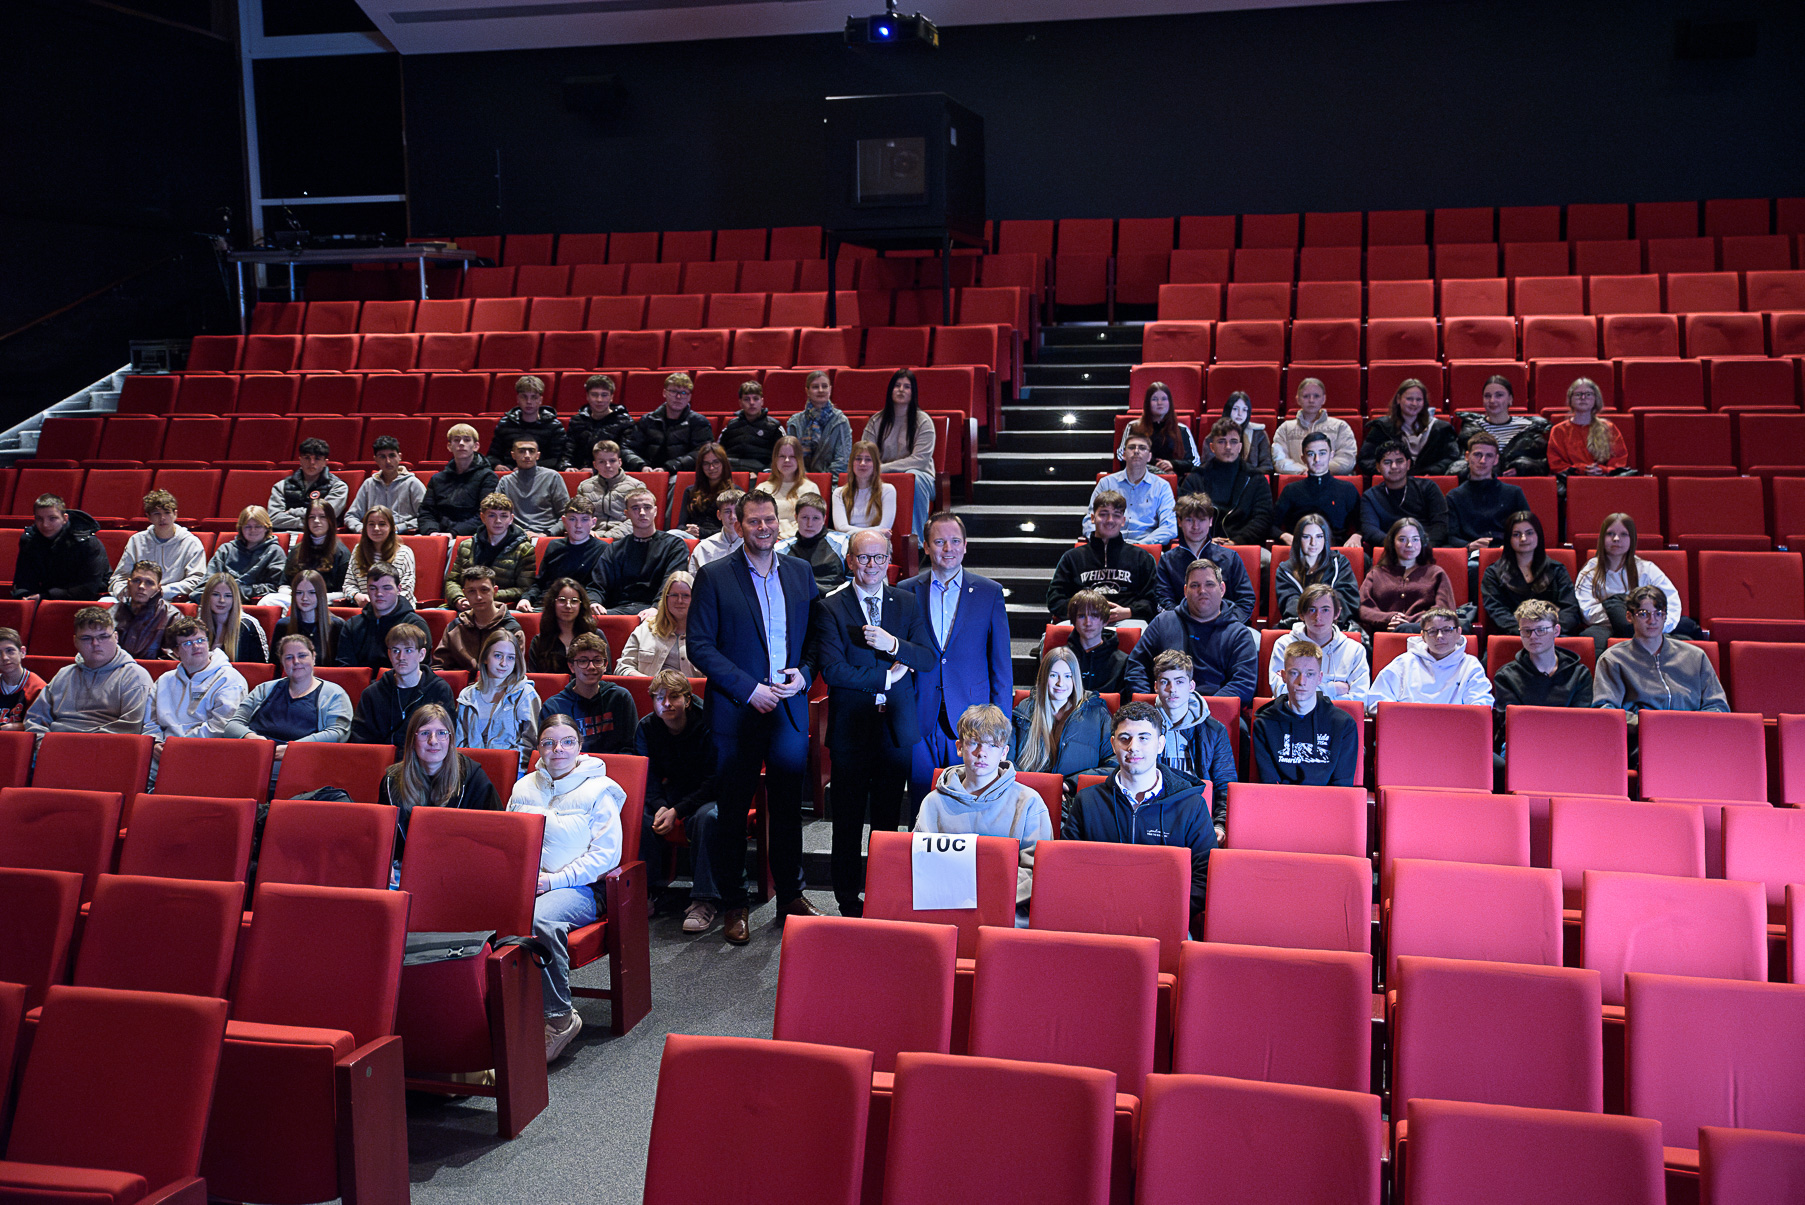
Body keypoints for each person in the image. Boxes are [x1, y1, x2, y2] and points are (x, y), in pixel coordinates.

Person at [687, 489, 821, 943]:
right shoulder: (714, 575)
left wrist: (804, 675)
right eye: (753, 521)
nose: (763, 527)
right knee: (731, 813)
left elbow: (816, 638)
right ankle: (735, 904)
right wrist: (748, 689)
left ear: (779, 523)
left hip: (788, 709)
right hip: (736, 712)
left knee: (787, 810)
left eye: (769, 520)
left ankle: (791, 896)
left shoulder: (801, 572)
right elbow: (699, 645)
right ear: (737, 524)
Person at [814, 529, 936, 917]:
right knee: (847, 822)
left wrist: (893, 645)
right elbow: (834, 671)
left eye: (879, 557)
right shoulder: (831, 606)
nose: (871, 565)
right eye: (863, 557)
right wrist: (887, 676)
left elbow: (927, 657)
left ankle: (882, 898)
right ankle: (848, 902)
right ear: (850, 561)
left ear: (889, 561)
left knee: (887, 823)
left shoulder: (907, 602)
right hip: (851, 731)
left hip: (894, 730)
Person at [507, 712, 626, 1061]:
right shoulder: (523, 787)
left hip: (583, 889)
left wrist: (554, 881)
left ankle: (559, 1018)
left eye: (567, 742)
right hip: (530, 884)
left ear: (579, 746)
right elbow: (509, 839)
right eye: (549, 742)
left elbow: (606, 856)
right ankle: (503, 1013)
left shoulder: (599, 790)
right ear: (539, 747)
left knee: (540, 919)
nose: (558, 749)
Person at [1065, 701, 1215, 919]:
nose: (1133, 747)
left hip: (1166, 918)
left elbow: (1204, 878)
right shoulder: (1087, 801)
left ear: (1160, 744)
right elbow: (1070, 867)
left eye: (1144, 738)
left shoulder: (1191, 805)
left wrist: (1158, 911)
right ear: (1113, 744)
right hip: (1099, 916)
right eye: (1124, 738)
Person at [906, 512, 1014, 802]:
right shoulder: (906, 591)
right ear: (926, 546)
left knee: (969, 801)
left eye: (955, 541)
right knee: (920, 798)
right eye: (939, 541)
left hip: (972, 720)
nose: (948, 548)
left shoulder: (989, 592)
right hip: (919, 715)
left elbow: (1001, 666)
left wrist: (1001, 725)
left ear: (965, 545)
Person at [916, 703, 1054, 908]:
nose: (982, 753)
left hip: (1006, 908)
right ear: (959, 747)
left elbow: (1037, 870)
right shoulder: (933, 802)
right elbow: (921, 864)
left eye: (992, 745)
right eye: (974, 743)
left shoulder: (1029, 802)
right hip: (945, 904)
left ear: (1004, 752)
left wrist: (983, 897)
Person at [636, 671, 724, 933]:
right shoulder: (647, 727)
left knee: (707, 818)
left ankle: (704, 900)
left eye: (674, 697)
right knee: (640, 817)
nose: (666, 703)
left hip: (709, 792)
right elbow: (646, 775)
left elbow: (715, 779)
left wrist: (677, 810)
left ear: (687, 700)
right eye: (659, 698)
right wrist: (661, 805)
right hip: (671, 792)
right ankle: (650, 891)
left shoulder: (709, 722)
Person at [1592, 585, 1727, 738]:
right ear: (1629, 617)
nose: (1652, 620)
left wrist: (1691, 725)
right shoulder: (1613, 659)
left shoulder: (1695, 656)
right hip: (1642, 738)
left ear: (1665, 617)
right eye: (1643, 614)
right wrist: (1652, 725)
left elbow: (1718, 706)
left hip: (1694, 736)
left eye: (1658, 613)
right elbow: (1606, 709)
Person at [1125, 558, 1259, 704]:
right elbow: (1136, 667)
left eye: (1209, 584)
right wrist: (1146, 704)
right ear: (1185, 591)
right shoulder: (1162, 623)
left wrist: (1202, 709)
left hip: (1214, 711)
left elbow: (1244, 684)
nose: (1202, 591)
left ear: (1222, 589)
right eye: (1195, 585)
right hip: (1163, 708)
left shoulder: (1239, 634)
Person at [379, 704, 500, 865]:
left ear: (450, 739)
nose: (433, 741)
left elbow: (494, 836)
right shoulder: (392, 781)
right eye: (425, 733)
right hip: (406, 867)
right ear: (412, 740)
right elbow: (385, 841)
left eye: (441, 733)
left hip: (461, 865)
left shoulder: (473, 778)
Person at [224, 634, 353, 777]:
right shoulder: (264, 689)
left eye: (302, 655)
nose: (296, 661)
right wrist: (255, 740)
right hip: (253, 758)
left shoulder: (334, 694)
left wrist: (292, 749)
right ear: (282, 662)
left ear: (313, 657)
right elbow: (232, 725)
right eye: (289, 657)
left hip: (301, 764)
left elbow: (338, 733)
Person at [1148, 650, 1236, 839]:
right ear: (1156, 686)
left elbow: (1225, 784)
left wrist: (1220, 825)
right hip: (1153, 814)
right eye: (1165, 682)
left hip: (1199, 815)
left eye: (1179, 682)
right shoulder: (1144, 727)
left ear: (1191, 686)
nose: (1172, 689)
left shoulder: (1214, 730)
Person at [25, 606, 153, 736]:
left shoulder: (135, 676)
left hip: (105, 745)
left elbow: (131, 727)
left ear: (116, 637)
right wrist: (41, 742)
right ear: (75, 641)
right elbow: (35, 720)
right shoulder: (63, 675)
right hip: (55, 742)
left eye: (103, 636)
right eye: (86, 638)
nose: (95, 643)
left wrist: (82, 743)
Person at [1250, 640, 1360, 786]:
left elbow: (1343, 785)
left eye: (1310, 674)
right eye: (1294, 673)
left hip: (1328, 799)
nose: (1302, 681)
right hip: (1281, 799)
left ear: (1319, 678)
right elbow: (1268, 784)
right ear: (1283, 676)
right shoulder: (1265, 723)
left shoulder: (1343, 724)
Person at [1492, 599, 1594, 751]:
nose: (1533, 636)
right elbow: (1512, 725)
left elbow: (1582, 722)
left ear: (1556, 630)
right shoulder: (1506, 676)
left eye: (1541, 630)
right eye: (1526, 631)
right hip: (1524, 744)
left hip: (1570, 743)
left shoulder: (1579, 674)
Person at [1046, 490, 1158, 625]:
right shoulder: (1072, 558)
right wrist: (1085, 612)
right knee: (1056, 632)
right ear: (1093, 518)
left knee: (1142, 630)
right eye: (1103, 514)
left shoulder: (1142, 558)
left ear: (1123, 521)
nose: (1110, 520)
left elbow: (1152, 601)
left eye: (1116, 515)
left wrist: (1129, 611)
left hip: (1127, 621)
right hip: (1082, 621)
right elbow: (1055, 599)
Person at [1577, 513, 1689, 639]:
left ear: (1632, 538)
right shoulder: (1590, 571)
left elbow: (1671, 603)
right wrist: (1622, 619)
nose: (1616, 539)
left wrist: (1652, 625)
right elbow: (1587, 611)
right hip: (1604, 628)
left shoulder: (1646, 569)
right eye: (1610, 534)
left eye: (1623, 534)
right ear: (1602, 538)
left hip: (1647, 626)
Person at [147, 617, 247, 756]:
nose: (196, 646)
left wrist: (178, 746)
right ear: (176, 652)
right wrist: (155, 743)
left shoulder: (229, 679)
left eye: (200, 640)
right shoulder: (164, 680)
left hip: (207, 752)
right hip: (164, 751)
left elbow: (221, 726)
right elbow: (150, 722)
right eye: (187, 643)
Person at [1010, 646, 1114, 779]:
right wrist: (1027, 785)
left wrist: (1071, 784)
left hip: (1077, 791)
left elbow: (1113, 764)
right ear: (1043, 677)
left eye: (1067, 676)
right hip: (1030, 789)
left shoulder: (1097, 713)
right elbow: (1007, 759)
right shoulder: (1024, 710)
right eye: (1053, 675)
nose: (1060, 683)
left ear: (1075, 679)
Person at [350, 621, 454, 752]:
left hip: (425, 759)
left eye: (408, 650)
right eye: (395, 651)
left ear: (421, 654)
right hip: (382, 760)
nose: (401, 657)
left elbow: (445, 737)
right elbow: (360, 740)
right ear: (389, 654)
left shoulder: (439, 690)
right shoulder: (372, 694)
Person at [1366, 607, 1493, 711]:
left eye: (1447, 630)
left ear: (1458, 632)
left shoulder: (1470, 665)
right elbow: (1377, 701)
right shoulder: (1404, 662)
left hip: (1454, 729)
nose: (1439, 636)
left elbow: (1481, 706)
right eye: (1432, 631)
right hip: (1407, 728)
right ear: (1423, 636)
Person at [862, 367, 937, 542]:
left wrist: (881, 469)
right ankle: (866, 540)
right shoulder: (876, 421)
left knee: (913, 476)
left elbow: (920, 461)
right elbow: (866, 454)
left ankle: (917, 543)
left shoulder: (923, 421)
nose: (901, 390)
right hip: (882, 476)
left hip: (921, 477)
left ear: (913, 392)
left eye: (907, 386)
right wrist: (875, 470)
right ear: (890, 390)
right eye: (897, 385)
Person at [1154, 494, 1257, 619]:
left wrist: (1225, 623)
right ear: (1179, 521)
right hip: (1182, 625)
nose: (1195, 526)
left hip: (1226, 626)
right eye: (1189, 520)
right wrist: (1185, 623)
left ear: (1210, 521)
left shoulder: (1231, 558)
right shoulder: (1167, 561)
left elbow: (1246, 600)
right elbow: (1164, 600)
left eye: (1202, 520)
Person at [1480, 511, 1584, 635]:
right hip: (1514, 636)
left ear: (1538, 535)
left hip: (1554, 637)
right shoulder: (1493, 574)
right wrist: (1528, 632)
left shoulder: (1557, 569)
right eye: (1516, 534)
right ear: (1508, 539)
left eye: (1529, 533)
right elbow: (1498, 613)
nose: (1523, 539)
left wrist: (1546, 632)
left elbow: (1570, 609)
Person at [454, 629, 541, 774]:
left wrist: (502, 766)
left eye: (510, 658)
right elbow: (460, 741)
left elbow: (531, 743)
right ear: (485, 658)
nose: (503, 663)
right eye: (498, 656)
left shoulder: (525, 694)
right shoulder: (467, 695)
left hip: (512, 771)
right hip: (471, 772)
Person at [591, 486, 689, 615]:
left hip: (657, 610)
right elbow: (598, 584)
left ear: (655, 511)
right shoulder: (615, 548)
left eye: (647, 507)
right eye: (635, 508)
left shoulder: (674, 545)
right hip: (617, 609)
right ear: (627, 513)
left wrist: (656, 607)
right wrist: (593, 602)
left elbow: (671, 583)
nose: (642, 512)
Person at [1177, 419, 1272, 547]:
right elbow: (1184, 516)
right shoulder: (1196, 478)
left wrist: (1237, 541)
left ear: (1240, 447)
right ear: (1212, 447)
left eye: (1233, 442)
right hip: (1202, 544)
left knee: (1267, 558)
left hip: (1244, 545)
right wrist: (1206, 541)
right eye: (1221, 441)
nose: (1228, 447)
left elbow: (1262, 519)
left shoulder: (1256, 478)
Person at [1269, 584, 1371, 701]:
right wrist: (1333, 689)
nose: (1318, 617)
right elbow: (1282, 693)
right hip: (1293, 712)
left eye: (1325, 610)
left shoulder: (1355, 650)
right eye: (1312, 610)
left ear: (1337, 613)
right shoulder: (1284, 645)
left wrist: (1303, 691)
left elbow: (1359, 699)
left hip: (1339, 713)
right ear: (1301, 614)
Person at [542, 632, 637, 753]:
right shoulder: (554, 707)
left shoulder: (620, 698)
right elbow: (549, 751)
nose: (591, 666)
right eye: (583, 661)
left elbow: (630, 746)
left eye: (597, 660)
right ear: (571, 666)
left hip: (615, 763)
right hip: (571, 764)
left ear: (605, 665)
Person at [1358, 517, 1454, 633]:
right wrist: (1389, 618)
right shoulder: (1376, 573)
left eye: (1415, 539)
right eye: (1402, 539)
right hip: (1383, 634)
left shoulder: (1436, 573)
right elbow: (1363, 608)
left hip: (1424, 634)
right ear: (1392, 543)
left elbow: (1444, 609)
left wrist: (1408, 622)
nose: (1409, 544)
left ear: (1422, 542)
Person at [108, 490, 205, 600]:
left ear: (175, 514)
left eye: (167, 513)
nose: (162, 518)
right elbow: (119, 578)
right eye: (156, 514)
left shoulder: (191, 543)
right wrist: (124, 592)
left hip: (171, 599)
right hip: (137, 598)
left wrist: (161, 591)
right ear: (148, 517)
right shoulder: (136, 540)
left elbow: (197, 580)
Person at [444, 493, 536, 610]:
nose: (498, 521)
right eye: (492, 515)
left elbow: (524, 589)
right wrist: (459, 599)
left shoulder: (524, 549)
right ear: (483, 517)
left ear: (511, 519)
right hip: (466, 605)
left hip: (500, 607)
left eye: (504, 516)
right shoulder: (467, 546)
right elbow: (452, 581)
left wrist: (484, 594)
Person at [1271, 432, 1363, 547]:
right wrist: (1285, 536)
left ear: (1331, 455)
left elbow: (1364, 525)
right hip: (1300, 549)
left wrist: (1357, 535)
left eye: (1322, 453)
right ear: (1303, 458)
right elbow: (1271, 525)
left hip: (1337, 549)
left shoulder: (1347, 489)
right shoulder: (1291, 490)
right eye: (1311, 454)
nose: (1317, 459)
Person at [1086, 431, 1177, 545]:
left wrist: (1140, 546)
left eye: (1142, 448)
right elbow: (1090, 520)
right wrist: (1101, 542)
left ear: (1149, 457)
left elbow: (1169, 527)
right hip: (1109, 545)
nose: (1136, 451)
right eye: (1131, 447)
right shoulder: (1106, 483)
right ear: (1124, 455)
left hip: (1146, 547)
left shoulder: (1162, 486)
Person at [13, 493, 109, 601]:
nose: (45, 525)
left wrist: (45, 596)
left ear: (65, 518)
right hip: (47, 596)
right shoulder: (29, 540)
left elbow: (89, 587)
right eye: (39, 519)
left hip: (89, 598)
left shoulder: (87, 542)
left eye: (52, 518)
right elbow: (23, 579)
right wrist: (25, 596)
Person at [1446, 433, 1533, 550]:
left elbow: (1528, 530)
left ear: (1496, 459)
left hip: (1507, 551)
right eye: (1477, 454)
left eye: (1489, 456)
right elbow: (1451, 537)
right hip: (1472, 553)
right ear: (1467, 456)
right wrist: (1468, 546)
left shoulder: (1514, 493)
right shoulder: (1454, 496)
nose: (1483, 461)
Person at [1357, 379, 1460, 476]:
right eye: (1409, 399)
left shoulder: (1441, 428)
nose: (1414, 404)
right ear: (1398, 399)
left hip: (1428, 481)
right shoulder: (1382, 427)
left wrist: (1432, 471)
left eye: (1419, 399)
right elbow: (1366, 460)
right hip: (1391, 482)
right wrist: (1391, 473)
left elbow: (1452, 457)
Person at [1274, 514, 1362, 626]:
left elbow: (1347, 600)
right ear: (1298, 539)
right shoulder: (1286, 570)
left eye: (1319, 537)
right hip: (1301, 627)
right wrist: (1314, 622)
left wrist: (1323, 621)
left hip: (1336, 626)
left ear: (1326, 539)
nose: (1313, 543)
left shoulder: (1339, 564)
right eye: (1306, 537)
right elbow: (1290, 605)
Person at [1452, 375, 1547, 478]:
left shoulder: (1530, 428)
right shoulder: (1470, 429)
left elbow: (1543, 465)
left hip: (1519, 484)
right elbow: (1458, 464)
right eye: (1487, 396)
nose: (1492, 400)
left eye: (1499, 395)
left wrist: (1521, 468)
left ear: (1510, 399)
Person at [435, 566, 524, 674]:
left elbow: (516, 673)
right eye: (471, 591)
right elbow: (439, 667)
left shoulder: (512, 630)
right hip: (460, 684)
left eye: (484, 590)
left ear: (495, 591)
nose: (478, 597)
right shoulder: (455, 627)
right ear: (464, 593)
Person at [1360, 441, 1450, 547]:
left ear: (1408, 464)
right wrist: (1398, 547)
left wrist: (1420, 547)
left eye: (1399, 461)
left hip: (1426, 548)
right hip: (1389, 550)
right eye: (1387, 462)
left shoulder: (1428, 488)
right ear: (1378, 467)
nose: (1394, 466)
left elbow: (1440, 525)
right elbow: (1370, 530)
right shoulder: (1370, 496)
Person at [522, 497, 606, 610]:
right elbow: (540, 583)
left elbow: (599, 587)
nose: (578, 525)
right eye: (572, 519)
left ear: (593, 522)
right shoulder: (554, 546)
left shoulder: (602, 549)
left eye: (584, 519)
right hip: (546, 605)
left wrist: (592, 602)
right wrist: (526, 599)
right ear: (564, 521)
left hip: (578, 607)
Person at [418, 423, 501, 536]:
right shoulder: (437, 479)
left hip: (470, 536)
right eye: (456, 440)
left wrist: (453, 533)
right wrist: (432, 532)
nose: (461, 443)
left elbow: (485, 514)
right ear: (449, 446)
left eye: (467, 440)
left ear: (476, 446)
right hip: (437, 534)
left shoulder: (487, 477)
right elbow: (426, 512)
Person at [335, 563, 421, 669]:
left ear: (399, 589)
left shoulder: (415, 624)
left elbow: (418, 669)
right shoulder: (353, 625)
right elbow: (345, 667)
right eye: (373, 588)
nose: (379, 593)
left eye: (386, 588)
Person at [626, 371, 714, 473]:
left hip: (679, 473)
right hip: (647, 472)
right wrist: (641, 466)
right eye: (673, 391)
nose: (678, 397)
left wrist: (670, 467)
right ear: (664, 393)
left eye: (684, 393)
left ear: (689, 397)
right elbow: (628, 448)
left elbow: (702, 452)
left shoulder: (699, 422)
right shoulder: (647, 420)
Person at [615, 571, 696, 677]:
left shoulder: (709, 633)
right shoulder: (645, 630)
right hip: (649, 687)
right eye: (674, 595)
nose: (680, 600)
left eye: (686, 595)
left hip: (692, 688)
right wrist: (650, 682)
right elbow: (623, 667)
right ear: (665, 598)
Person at [1272, 377, 1358, 474]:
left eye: (1316, 396)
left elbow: (1347, 460)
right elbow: (1279, 460)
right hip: (1297, 480)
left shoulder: (1340, 427)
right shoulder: (1285, 428)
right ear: (1298, 399)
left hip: (1331, 480)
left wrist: (1318, 469)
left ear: (1324, 399)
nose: (1311, 400)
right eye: (1306, 396)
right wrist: (1304, 471)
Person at [1116, 381, 1201, 477]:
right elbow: (1122, 456)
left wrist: (1172, 464)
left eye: (1164, 399)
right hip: (1140, 477)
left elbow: (1195, 462)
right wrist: (1155, 466)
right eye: (1154, 399)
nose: (1159, 403)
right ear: (1147, 403)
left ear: (1169, 402)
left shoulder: (1182, 430)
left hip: (1173, 478)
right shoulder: (1133, 427)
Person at [1547, 377, 1628, 475]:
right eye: (1578, 394)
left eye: (1588, 394)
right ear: (1570, 399)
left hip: (1604, 479)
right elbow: (1556, 463)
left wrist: (1603, 470)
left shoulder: (1608, 428)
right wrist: (1581, 469)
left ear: (1596, 399)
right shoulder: (1559, 430)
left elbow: (1619, 459)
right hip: (1571, 480)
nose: (1583, 398)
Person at [205, 506, 286, 604]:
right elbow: (209, 581)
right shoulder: (225, 550)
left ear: (266, 528)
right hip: (220, 601)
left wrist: (238, 591)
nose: (253, 530)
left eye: (258, 526)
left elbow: (276, 587)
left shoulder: (275, 552)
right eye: (247, 526)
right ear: (241, 528)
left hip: (253, 604)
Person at [488, 374, 569, 469]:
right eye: (524, 397)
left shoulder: (554, 426)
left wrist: (528, 467)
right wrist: (497, 465)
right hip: (509, 472)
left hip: (542, 473)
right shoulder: (505, 424)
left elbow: (556, 459)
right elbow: (492, 455)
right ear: (518, 399)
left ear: (540, 400)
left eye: (534, 397)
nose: (529, 401)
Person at [346, 435, 425, 532]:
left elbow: (425, 517)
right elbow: (351, 516)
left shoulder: (413, 483)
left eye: (392, 456)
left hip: (404, 534)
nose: (388, 461)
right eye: (382, 457)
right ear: (375, 459)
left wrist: (400, 527)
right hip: (374, 535)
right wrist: (361, 529)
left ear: (399, 457)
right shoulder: (369, 484)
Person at [343, 505, 416, 609]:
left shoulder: (404, 553)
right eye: (371, 524)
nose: (376, 528)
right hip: (366, 611)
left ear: (391, 527)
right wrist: (356, 596)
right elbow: (348, 585)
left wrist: (379, 604)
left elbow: (406, 592)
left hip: (398, 611)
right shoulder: (358, 550)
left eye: (382, 524)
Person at [567, 374, 642, 472]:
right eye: (594, 395)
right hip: (580, 473)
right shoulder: (577, 421)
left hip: (611, 473)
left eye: (604, 395)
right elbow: (568, 451)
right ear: (587, 397)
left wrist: (595, 471)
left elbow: (625, 453)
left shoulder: (624, 422)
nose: (599, 400)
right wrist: (566, 467)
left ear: (611, 397)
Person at [268, 438, 348, 529]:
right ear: (300, 460)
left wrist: (292, 512)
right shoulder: (281, 486)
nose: (312, 462)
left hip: (321, 535)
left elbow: (327, 515)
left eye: (317, 458)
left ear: (325, 462)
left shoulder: (338, 486)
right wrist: (306, 522)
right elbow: (273, 518)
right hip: (285, 533)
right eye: (307, 458)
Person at [499, 436, 570, 536]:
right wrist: (519, 534)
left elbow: (566, 514)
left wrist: (547, 534)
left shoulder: (552, 477)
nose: (527, 455)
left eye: (531, 451)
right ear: (513, 455)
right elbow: (497, 514)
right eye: (521, 451)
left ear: (538, 455)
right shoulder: (506, 481)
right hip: (515, 536)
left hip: (547, 535)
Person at [527, 577, 599, 675]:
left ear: (581, 605)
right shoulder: (539, 641)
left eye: (574, 601)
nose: (568, 606)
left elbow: (605, 675)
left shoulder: (596, 636)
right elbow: (534, 678)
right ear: (553, 603)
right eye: (562, 600)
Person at [281, 500, 349, 604]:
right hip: (295, 601)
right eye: (312, 517)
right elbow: (283, 584)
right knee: (268, 601)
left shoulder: (341, 553)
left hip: (325, 603)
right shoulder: (296, 550)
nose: (316, 521)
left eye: (322, 516)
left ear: (330, 520)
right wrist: (295, 594)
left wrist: (314, 597)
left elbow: (344, 591)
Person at [775, 495, 848, 592]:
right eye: (805, 517)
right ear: (796, 518)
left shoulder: (842, 543)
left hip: (834, 598)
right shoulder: (781, 549)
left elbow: (854, 580)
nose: (809, 524)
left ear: (824, 519)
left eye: (816, 518)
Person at [786, 369, 852, 474]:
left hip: (832, 480)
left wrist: (823, 480)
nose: (821, 390)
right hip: (800, 479)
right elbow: (791, 458)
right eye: (815, 387)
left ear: (830, 390)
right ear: (807, 391)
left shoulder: (841, 421)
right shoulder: (795, 422)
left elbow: (842, 461)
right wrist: (804, 480)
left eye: (824, 386)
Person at [1064, 589, 1128, 695]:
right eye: (1081, 616)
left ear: (1105, 621)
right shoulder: (1061, 657)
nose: (1088, 623)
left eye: (1094, 616)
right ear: (1074, 621)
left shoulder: (1122, 661)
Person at [111, 562, 181, 659]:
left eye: (149, 582)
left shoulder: (172, 616)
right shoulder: (113, 612)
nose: (141, 586)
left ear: (158, 588)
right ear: (128, 583)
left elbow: (173, 658)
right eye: (136, 580)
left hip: (154, 668)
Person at [757, 435, 822, 540]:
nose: (787, 460)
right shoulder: (762, 489)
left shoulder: (810, 488)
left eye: (792, 456)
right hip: (767, 540)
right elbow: (757, 520)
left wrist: (785, 538)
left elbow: (812, 523)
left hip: (799, 541)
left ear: (799, 460)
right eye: (782, 456)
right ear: (775, 459)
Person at [196, 573, 270, 663]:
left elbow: (261, 667)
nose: (222, 600)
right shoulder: (198, 625)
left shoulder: (248, 626)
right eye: (216, 595)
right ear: (207, 597)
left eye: (228, 596)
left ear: (235, 599)